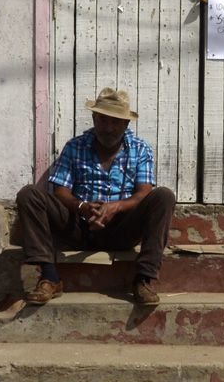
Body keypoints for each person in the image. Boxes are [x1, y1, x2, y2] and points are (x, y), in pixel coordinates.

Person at [15, 87, 175, 306]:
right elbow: (60, 190)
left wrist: (115, 208)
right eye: (102, 120)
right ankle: (50, 277)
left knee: (164, 196)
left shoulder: (140, 149)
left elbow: (143, 193)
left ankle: (143, 280)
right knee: (29, 194)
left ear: (126, 124)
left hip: (121, 230)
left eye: (115, 122)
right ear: (94, 118)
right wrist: (82, 207)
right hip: (79, 226)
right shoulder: (75, 146)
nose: (108, 128)